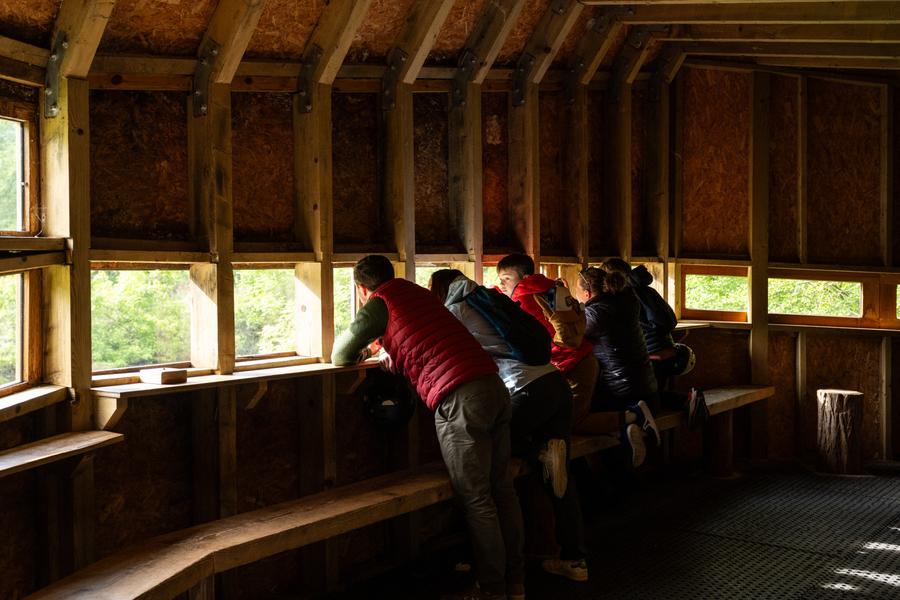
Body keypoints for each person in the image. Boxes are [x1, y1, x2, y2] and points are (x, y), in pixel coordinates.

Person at [332, 255, 525, 600]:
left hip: (459, 397)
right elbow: (420, 338)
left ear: (361, 289)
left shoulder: (380, 303)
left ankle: (493, 590)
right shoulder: (417, 293)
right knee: (502, 491)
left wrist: (370, 351)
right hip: (492, 385)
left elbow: (341, 355)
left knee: (477, 499)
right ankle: (516, 584)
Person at [429, 269, 589, 583]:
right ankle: (575, 560)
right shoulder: (489, 299)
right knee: (560, 478)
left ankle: (472, 562)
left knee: (483, 462)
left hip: (525, 390)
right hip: (555, 383)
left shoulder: (454, 311)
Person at [496, 254, 599, 437]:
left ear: (525, 279)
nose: (502, 284)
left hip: (575, 365)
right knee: (562, 423)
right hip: (576, 360)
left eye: (507, 279)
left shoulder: (523, 299)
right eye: (500, 280)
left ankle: (632, 417)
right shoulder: (548, 289)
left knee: (572, 423)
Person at [601, 259, 707, 428]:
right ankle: (688, 398)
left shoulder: (627, 296)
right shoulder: (645, 291)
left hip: (653, 356)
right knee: (652, 396)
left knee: (645, 400)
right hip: (663, 352)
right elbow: (669, 320)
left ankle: (686, 399)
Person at [575, 265, 660, 467]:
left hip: (620, 393)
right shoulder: (627, 301)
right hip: (648, 388)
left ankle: (630, 419)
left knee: (578, 420)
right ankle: (631, 426)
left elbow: (570, 337)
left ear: (586, 293)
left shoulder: (595, 315)